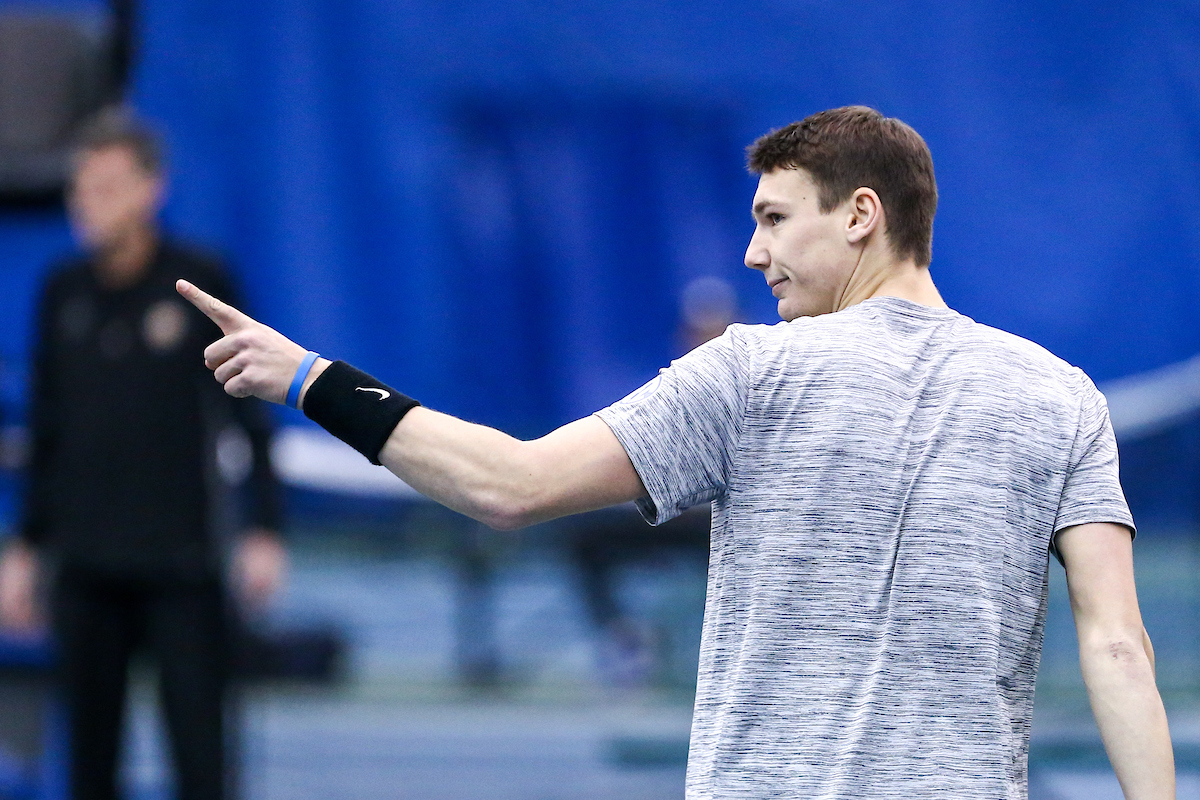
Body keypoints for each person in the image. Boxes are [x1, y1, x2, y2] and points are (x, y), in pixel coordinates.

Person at [176, 106, 1173, 798]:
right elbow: (1118, 646)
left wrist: (309, 376)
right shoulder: (1062, 395)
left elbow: (507, 483)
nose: (753, 254)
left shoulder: (752, 370)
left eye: (775, 219)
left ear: (862, 214)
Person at [0, 109, 284, 800]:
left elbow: (249, 420)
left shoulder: (199, 282)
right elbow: (47, 428)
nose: (84, 203)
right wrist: (26, 547)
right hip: (86, 571)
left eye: (104, 186)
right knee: (90, 763)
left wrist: (263, 528)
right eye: (78, 188)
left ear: (149, 190)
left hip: (181, 568)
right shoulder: (61, 290)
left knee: (201, 760)